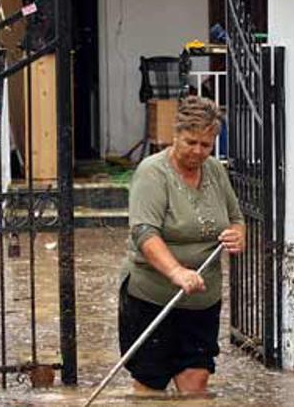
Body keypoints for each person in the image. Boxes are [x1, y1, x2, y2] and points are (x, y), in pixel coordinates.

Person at [119, 95, 246, 394]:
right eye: (190, 142)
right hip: (152, 298)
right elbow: (144, 232)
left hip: (202, 299)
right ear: (175, 134)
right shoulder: (152, 173)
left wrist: (238, 235)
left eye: (206, 145)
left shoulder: (215, 171)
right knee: (150, 385)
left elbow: (236, 217)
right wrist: (176, 272)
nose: (198, 152)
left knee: (196, 382)